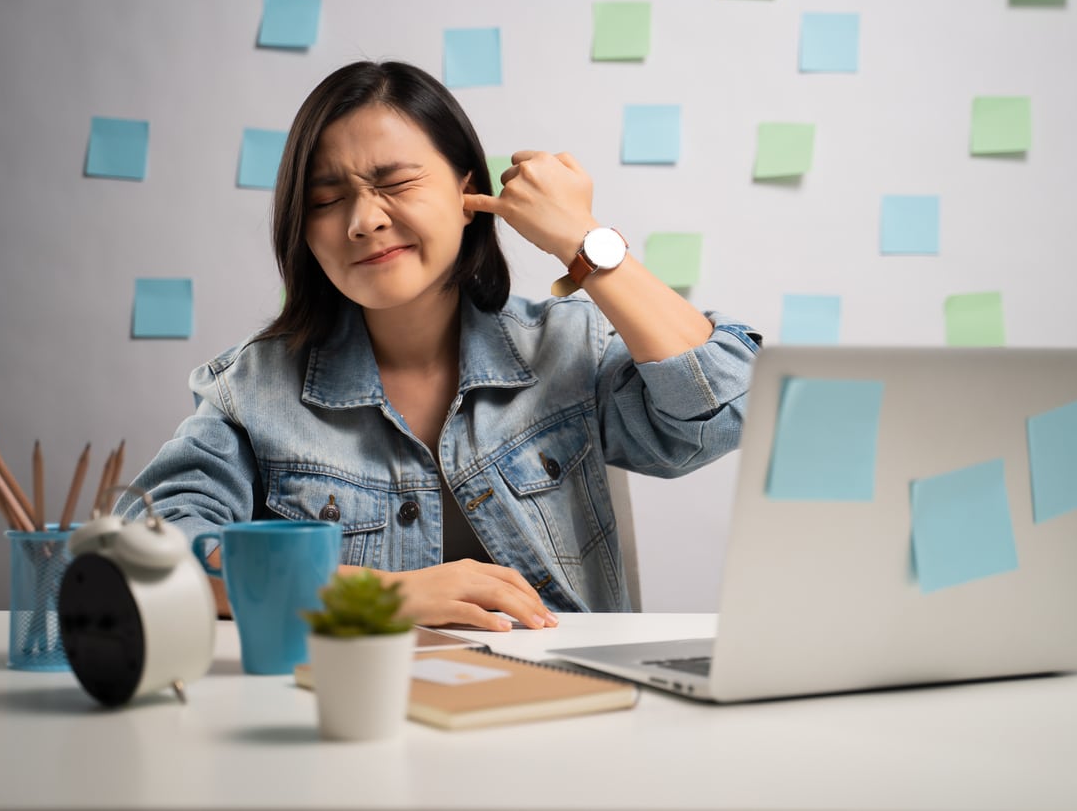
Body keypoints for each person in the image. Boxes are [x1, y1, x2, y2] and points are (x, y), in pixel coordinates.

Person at [121, 60, 761, 631]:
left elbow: (730, 411)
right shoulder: (253, 389)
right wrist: (383, 597)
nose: (363, 220)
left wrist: (585, 241)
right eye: (325, 198)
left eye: (394, 184)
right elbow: (149, 550)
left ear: (467, 195)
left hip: (568, 716)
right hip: (359, 722)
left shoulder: (566, 348)